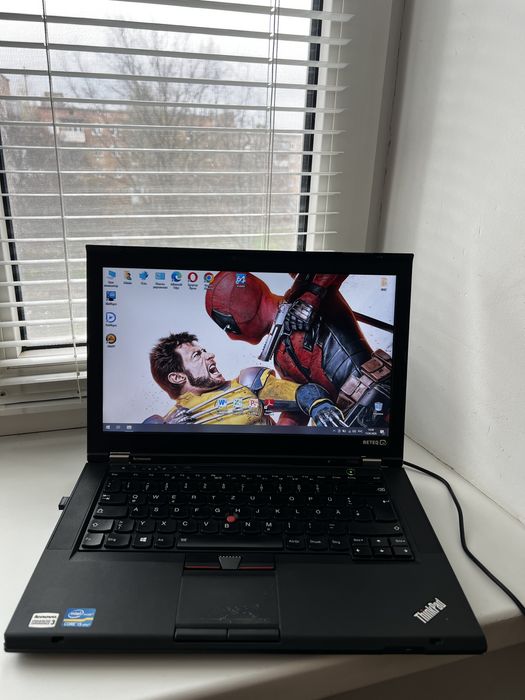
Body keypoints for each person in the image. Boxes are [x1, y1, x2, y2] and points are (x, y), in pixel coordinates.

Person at [205, 272, 392, 429]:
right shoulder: (280, 358)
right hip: (351, 423)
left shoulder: (303, 292)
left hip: (381, 399)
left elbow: (336, 263)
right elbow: (299, 405)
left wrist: (312, 295)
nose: (230, 333)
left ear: (240, 310)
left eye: (226, 324)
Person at [143, 332, 345, 427]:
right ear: (177, 377)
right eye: (197, 355)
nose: (210, 355)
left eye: (204, 350)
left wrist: (320, 407)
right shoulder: (168, 421)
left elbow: (301, 393)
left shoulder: (247, 383)